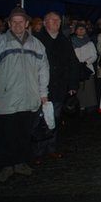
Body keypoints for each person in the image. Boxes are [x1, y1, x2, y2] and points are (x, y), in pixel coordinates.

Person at [0, 7, 50, 183]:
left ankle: (20, 163)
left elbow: (44, 70)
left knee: (24, 133)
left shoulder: (36, 44)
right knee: (6, 134)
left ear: (27, 24)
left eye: (21, 21)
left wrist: (43, 93)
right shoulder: (0, 43)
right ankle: (7, 165)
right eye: (14, 22)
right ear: (9, 24)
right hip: (6, 98)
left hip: (29, 98)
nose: (18, 25)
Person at [33, 11, 79, 163]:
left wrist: (72, 84)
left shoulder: (64, 40)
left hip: (59, 87)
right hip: (42, 87)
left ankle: (51, 148)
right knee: (41, 119)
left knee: (55, 118)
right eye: (52, 20)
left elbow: (73, 63)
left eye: (58, 20)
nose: (56, 23)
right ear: (45, 23)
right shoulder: (37, 41)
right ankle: (39, 151)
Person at [72, 22, 98, 113]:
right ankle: (80, 105)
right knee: (79, 88)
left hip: (88, 68)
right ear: (75, 31)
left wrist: (86, 62)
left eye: (83, 29)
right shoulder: (72, 42)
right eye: (79, 29)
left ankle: (89, 106)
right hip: (77, 68)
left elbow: (94, 55)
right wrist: (77, 64)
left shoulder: (90, 43)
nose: (81, 30)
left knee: (88, 88)